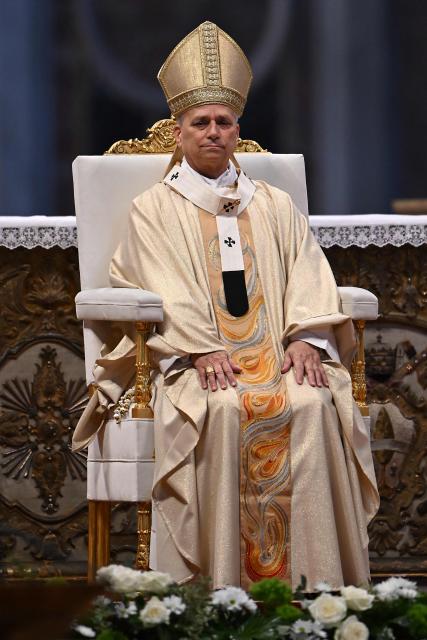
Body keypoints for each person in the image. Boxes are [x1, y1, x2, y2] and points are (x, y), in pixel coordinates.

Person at [73, 21, 378, 590]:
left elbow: (309, 272)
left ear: (238, 128)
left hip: (273, 354)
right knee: (227, 409)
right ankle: (218, 589)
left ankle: (314, 589)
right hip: (191, 363)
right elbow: (155, 284)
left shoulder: (275, 204)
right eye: (200, 123)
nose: (213, 132)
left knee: (312, 405)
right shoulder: (153, 209)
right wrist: (197, 349)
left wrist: (306, 337)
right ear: (179, 130)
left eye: (224, 121)